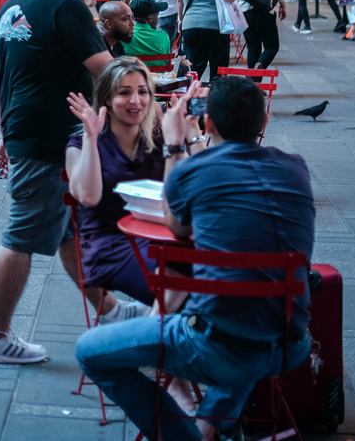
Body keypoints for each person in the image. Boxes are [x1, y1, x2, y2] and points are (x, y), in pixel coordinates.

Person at [76, 75, 315, 439]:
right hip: (290, 343)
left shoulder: (196, 171)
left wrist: (174, 145)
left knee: (89, 351)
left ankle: (182, 436)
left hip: (214, 346)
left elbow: (176, 223)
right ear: (264, 122)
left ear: (208, 123)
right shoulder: (296, 168)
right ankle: (209, 427)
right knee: (245, 319)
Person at [0, 0, 113, 365]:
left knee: (70, 234)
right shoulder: (65, 7)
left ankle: (110, 310)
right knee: (20, 236)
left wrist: (7, 136)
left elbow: (7, 78)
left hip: (32, 136)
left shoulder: (12, 5)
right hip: (49, 139)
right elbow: (109, 71)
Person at [66, 58, 177, 312]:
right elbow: (88, 197)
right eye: (124, 92)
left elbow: (193, 189)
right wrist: (91, 138)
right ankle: (159, 335)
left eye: (142, 91)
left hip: (163, 237)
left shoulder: (159, 137)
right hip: (111, 246)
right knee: (187, 287)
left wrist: (182, 140)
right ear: (106, 98)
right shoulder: (81, 143)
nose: (136, 101)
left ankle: (159, 331)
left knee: (215, 275)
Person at [124, 0, 173, 64]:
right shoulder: (163, 37)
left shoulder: (124, 36)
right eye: (157, 15)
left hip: (133, 73)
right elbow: (167, 64)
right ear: (150, 18)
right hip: (159, 74)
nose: (157, 19)